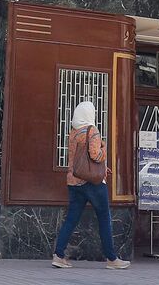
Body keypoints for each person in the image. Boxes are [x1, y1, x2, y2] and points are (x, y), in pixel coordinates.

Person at [52, 101, 130, 270]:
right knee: (104, 218)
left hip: (74, 182)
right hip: (93, 184)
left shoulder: (73, 133)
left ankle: (58, 255)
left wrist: (102, 168)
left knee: (71, 219)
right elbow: (95, 155)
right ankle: (112, 259)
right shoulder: (92, 130)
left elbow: (78, 159)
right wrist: (104, 148)